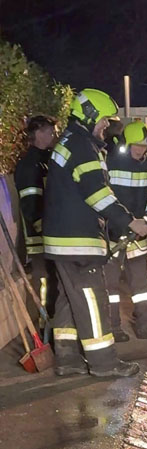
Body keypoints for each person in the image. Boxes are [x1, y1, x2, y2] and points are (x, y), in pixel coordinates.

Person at [43, 88, 147, 377]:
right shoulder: (82, 147)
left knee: (69, 299)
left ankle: (67, 360)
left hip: (62, 240)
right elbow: (97, 193)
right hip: (78, 241)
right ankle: (104, 363)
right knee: (93, 299)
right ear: (90, 116)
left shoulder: (70, 141)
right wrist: (130, 222)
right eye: (103, 121)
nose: (106, 128)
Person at [105, 120, 147, 342]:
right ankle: (112, 328)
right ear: (126, 143)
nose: (141, 150)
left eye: (144, 146)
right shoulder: (110, 162)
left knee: (142, 284)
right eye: (136, 145)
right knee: (109, 284)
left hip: (139, 233)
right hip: (112, 233)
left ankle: (146, 325)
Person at [14, 115, 59, 317]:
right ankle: (42, 330)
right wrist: (42, 227)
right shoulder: (29, 164)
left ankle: (50, 325)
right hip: (38, 237)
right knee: (42, 282)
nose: (54, 135)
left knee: (52, 283)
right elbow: (30, 203)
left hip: (52, 233)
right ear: (38, 133)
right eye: (50, 131)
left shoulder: (47, 161)